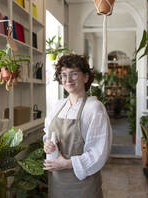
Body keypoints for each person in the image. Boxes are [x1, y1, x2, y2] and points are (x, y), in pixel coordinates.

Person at [43, 54, 112, 198]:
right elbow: (48, 134)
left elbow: (98, 152)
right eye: (63, 75)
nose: (68, 80)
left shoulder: (94, 109)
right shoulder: (58, 106)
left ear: (86, 77)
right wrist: (48, 144)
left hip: (82, 184)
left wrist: (66, 164)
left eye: (74, 74)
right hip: (58, 181)